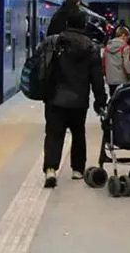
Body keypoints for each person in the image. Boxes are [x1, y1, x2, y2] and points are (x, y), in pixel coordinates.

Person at [42, 11, 106, 188]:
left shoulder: (55, 42)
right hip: (79, 100)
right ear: (84, 25)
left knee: (54, 134)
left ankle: (50, 169)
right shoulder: (91, 48)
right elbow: (97, 79)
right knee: (78, 134)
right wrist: (100, 101)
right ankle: (77, 170)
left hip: (55, 98)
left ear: (67, 24)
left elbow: (44, 67)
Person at [102, 27, 130, 96]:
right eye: (128, 37)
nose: (128, 39)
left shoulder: (107, 47)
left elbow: (104, 63)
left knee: (113, 97)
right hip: (122, 79)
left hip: (110, 79)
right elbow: (127, 64)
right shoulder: (125, 47)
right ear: (123, 35)